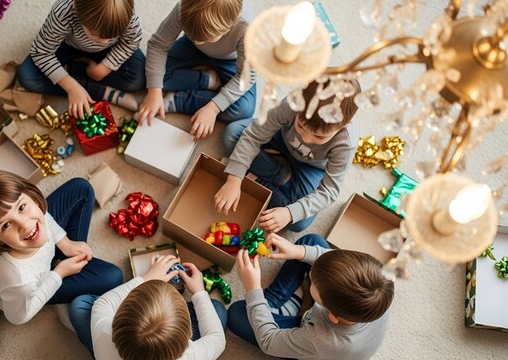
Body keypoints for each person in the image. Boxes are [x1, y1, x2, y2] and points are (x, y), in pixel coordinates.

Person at [0, 170, 123, 325]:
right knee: (113, 277)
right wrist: (59, 274)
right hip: (37, 285)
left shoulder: (32, 212)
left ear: (30, 196)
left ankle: (66, 260)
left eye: (21, 207)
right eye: (6, 225)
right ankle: (64, 281)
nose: (25, 224)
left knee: (82, 187)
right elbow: (18, 317)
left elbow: (42, 215)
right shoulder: (19, 282)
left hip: (41, 252)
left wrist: (65, 242)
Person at [215, 79, 361, 232]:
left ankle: (260, 177)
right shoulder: (293, 102)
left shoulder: (346, 144)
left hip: (310, 166)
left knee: (299, 223)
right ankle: (281, 178)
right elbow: (254, 135)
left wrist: (289, 213)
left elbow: (329, 191)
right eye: (301, 126)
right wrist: (234, 179)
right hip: (278, 139)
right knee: (232, 134)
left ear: (347, 123)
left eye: (318, 137)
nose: (305, 138)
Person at [229, 232, 394, 359]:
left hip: (312, 349)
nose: (311, 272)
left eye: (313, 283)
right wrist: (298, 251)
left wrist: (253, 288)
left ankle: (279, 304)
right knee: (311, 242)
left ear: (332, 315)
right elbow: (330, 259)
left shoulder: (321, 340)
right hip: (327, 326)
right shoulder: (380, 285)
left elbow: (269, 342)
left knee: (236, 313)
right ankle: (277, 305)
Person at [137, 0, 257, 140]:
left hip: (230, 61)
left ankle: (176, 101)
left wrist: (213, 108)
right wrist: (154, 90)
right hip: (190, 50)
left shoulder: (248, 28)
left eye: (206, 37)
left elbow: (246, 76)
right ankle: (208, 80)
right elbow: (158, 45)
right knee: (150, 74)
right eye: (191, 33)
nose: (198, 41)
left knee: (244, 109)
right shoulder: (185, 7)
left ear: (229, 25)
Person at [70, 255, 226, 359]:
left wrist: (145, 278)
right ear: (188, 336)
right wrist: (199, 292)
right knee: (217, 309)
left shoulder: (104, 334)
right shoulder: (191, 355)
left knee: (80, 305)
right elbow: (217, 338)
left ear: (117, 320)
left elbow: (103, 303)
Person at [17, 0, 146, 119]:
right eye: (95, 34)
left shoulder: (125, 13)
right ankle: (102, 92)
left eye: (112, 36)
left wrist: (104, 68)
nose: (104, 42)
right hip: (67, 46)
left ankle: (71, 70)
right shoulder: (63, 12)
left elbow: (131, 42)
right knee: (28, 75)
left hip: (111, 51)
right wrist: (72, 88)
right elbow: (41, 52)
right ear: (76, 8)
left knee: (139, 77)